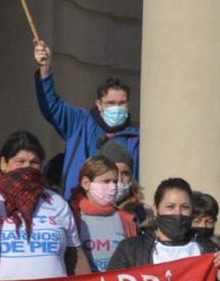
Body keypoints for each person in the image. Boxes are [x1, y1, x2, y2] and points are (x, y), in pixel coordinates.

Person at [32, 40, 140, 194]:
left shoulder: (136, 139)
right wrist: (45, 68)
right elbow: (52, 106)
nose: (116, 108)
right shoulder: (80, 123)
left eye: (121, 103)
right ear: (99, 104)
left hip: (121, 208)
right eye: (110, 103)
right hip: (79, 206)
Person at [0, 131, 91, 281]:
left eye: (34, 162)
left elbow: (75, 257)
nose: (27, 168)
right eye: (20, 162)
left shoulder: (57, 203)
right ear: (4, 164)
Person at [68, 154, 138, 272]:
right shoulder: (73, 216)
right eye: (106, 181)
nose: (112, 187)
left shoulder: (126, 219)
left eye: (114, 182)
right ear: (86, 183)